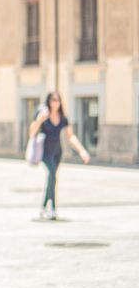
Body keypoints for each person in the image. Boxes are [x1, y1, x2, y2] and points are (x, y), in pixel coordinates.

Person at [28, 91, 90, 220]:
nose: (55, 102)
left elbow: (70, 136)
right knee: (52, 175)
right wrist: (39, 119)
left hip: (57, 152)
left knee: (52, 179)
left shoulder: (62, 117)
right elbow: (32, 132)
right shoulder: (42, 115)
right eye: (53, 100)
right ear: (48, 102)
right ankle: (52, 209)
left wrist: (82, 151)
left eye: (57, 100)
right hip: (45, 152)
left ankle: (44, 207)